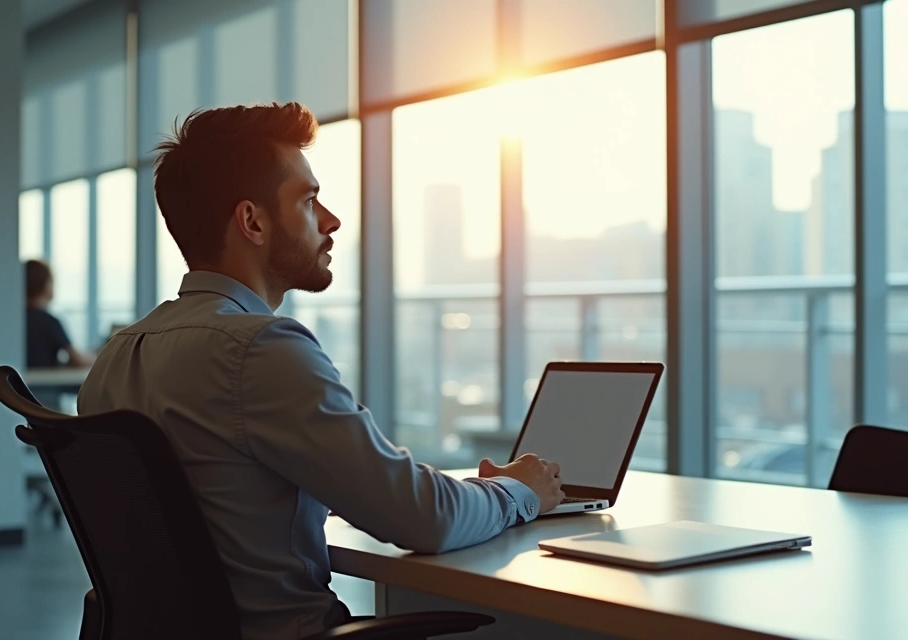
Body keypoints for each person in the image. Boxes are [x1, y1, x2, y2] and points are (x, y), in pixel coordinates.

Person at [77, 103, 564, 640]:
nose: (330, 220)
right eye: (308, 201)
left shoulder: (117, 356)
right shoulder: (259, 350)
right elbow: (419, 518)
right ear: (252, 221)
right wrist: (519, 492)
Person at [24, 259, 95, 368]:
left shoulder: (18, 319)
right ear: (46, 285)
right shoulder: (48, 321)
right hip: (45, 383)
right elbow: (77, 360)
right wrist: (102, 357)